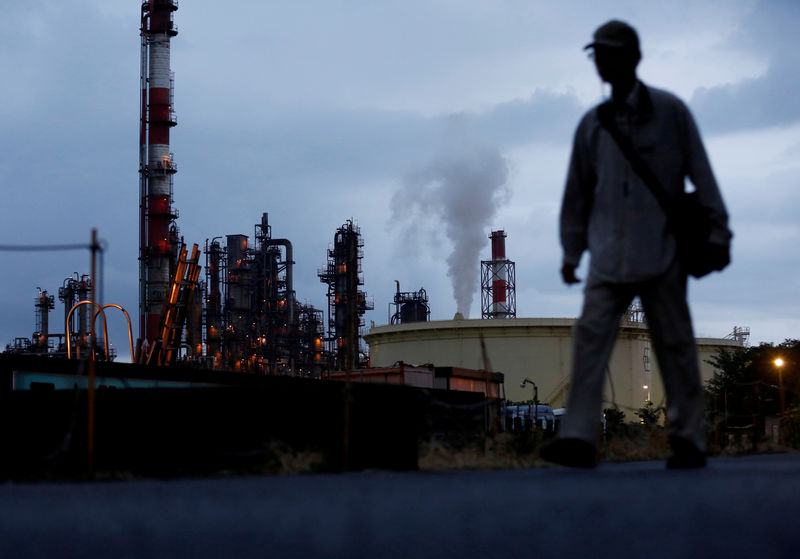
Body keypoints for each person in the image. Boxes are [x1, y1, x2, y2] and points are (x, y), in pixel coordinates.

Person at [540, 20, 732, 469]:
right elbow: (577, 195)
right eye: (597, 55)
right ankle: (580, 439)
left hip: (663, 251)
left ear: (634, 57)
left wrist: (719, 233)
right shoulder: (592, 125)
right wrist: (572, 252)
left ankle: (688, 439)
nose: (602, 62)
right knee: (588, 342)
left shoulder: (672, 113)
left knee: (677, 345)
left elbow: (703, 178)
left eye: (610, 52)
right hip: (608, 256)